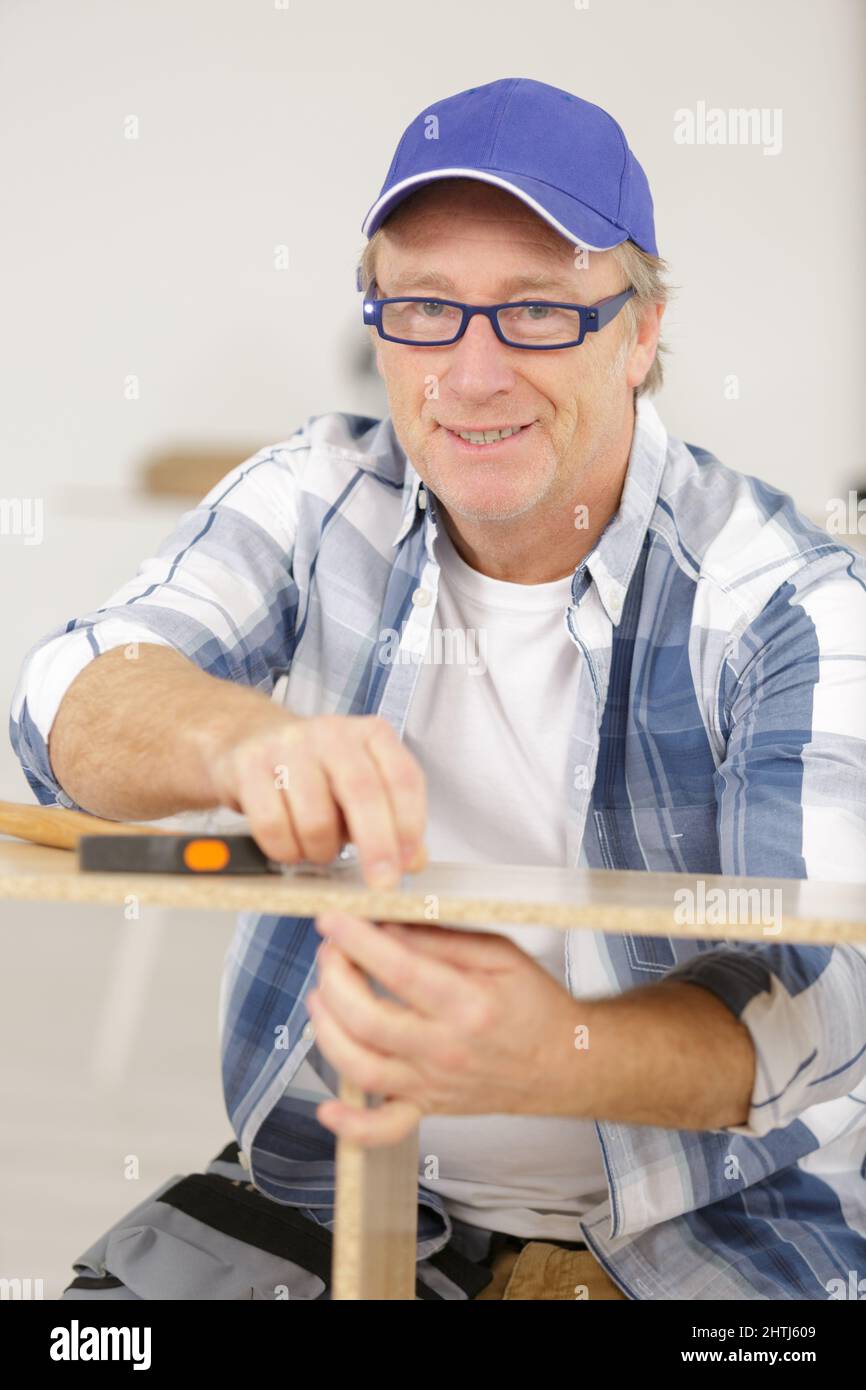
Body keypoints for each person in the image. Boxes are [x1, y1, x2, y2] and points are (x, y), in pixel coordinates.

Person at [11, 77, 866, 1301]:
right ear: (377, 327)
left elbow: (825, 1008)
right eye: (424, 308)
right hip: (336, 1187)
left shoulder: (784, 601)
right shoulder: (316, 500)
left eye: (534, 312)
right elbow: (66, 701)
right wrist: (235, 740)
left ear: (640, 334)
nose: (470, 375)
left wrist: (551, 1053)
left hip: (721, 1228)